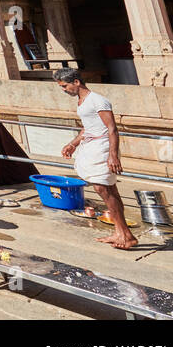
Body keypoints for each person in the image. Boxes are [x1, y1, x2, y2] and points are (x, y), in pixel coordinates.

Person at [55, 68, 137, 250]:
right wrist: (73, 143)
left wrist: (113, 155)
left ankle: (125, 235)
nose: (64, 90)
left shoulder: (98, 100)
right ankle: (120, 232)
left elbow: (112, 129)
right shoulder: (82, 102)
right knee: (107, 190)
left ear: (76, 82)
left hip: (103, 148)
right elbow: (87, 128)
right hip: (91, 146)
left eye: (65, 86)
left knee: (103, 188)